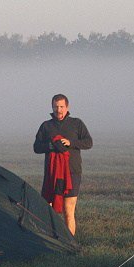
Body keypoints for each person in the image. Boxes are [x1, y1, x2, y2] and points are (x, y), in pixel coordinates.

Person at [33, 93, 92, 236]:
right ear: (52, 107)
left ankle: (70, 243)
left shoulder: (76, 123)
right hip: (52, 174)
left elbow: (88, 142)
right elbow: (36, 147)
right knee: (50, 209)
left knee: (68, 210)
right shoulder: (46, 126)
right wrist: (51, 145)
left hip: (72, 172)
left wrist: (71, 143)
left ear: (67, 107)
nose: (58, 110)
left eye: (61, 107)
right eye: (55, 107)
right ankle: (53, 241)